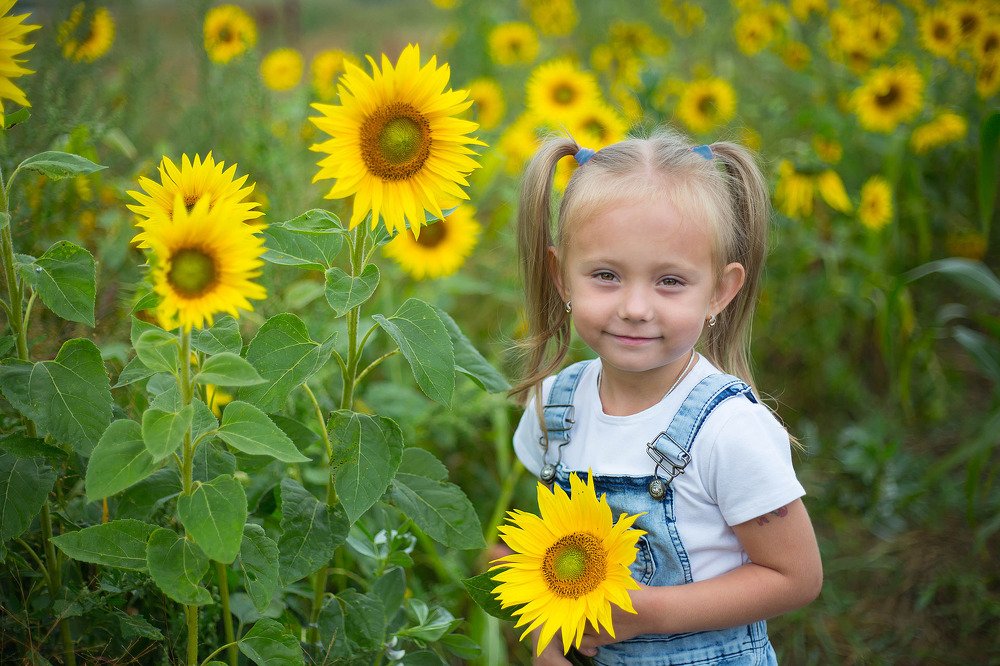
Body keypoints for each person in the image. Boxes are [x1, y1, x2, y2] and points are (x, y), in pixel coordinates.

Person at [507, 128, 823, 665]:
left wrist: (649, 612)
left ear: (720, 291)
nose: (634, 307)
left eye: (670, 281)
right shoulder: (553, 407)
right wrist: (546, 643)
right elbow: (551, 557)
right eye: (606, 275)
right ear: (561, 276)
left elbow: (795, 577)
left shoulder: (727, 430)